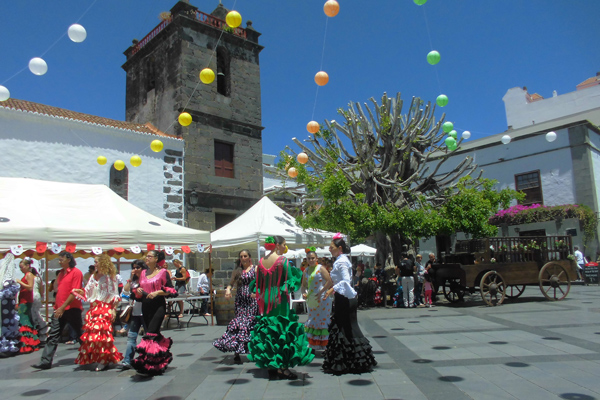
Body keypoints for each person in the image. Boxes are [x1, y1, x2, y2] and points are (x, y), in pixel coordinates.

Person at [247, 236, 314, 380]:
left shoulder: (261, 262)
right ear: (277, 246)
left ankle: (271, 365)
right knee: (282, 329)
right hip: (279, 298)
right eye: (284, 244)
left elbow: (258, 284)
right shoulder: (282, 261)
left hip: (265, 299)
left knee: (269, 329)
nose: (285, 247)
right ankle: (282, 368)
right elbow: (290, 281)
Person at [322, 234, 376, 375]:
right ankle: (346, 361)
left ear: (339, 248)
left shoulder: (341, 262)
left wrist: (332, 289)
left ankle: (357, 360)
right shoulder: (340, 260)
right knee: (343, 328)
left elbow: (346, 280)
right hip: (342, 298)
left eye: (332, 247)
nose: (329, 249)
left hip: (345, 299)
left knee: (349, 328)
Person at [32, 251, 83, 370]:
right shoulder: (61, 273)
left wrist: (63, 307)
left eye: (61, 260)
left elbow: (74, 292)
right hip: (59, 309)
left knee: (80, 334)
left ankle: (90, 356)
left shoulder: (76, 272)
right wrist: (58, 307)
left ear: (68, 260)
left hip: (71, 309)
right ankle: (45, 361)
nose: (59, 262)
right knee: (53, 335)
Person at [130, 250, 177, 375]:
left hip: (158, 306)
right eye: (147, 256)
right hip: (146, 306)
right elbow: (138, 287)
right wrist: (139, 289)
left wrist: (158, 292)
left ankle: (147, 363)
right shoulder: (143, 273)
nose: (147, 258)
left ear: (156, 259)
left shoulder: (163, 273)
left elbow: (170, 289)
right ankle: (160, 360)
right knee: (154, 334)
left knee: (150, 334)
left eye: (150, 256)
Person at [72, 254, 123, 371]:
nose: (94, 264)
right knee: (94, 336)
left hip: (105, 308)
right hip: (94, 308)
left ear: (102, 262)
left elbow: (115, 294)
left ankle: (103, 360)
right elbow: (88, 292)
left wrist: (113, 309)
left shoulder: (110, 277)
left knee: (102, 336)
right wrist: (79, 291)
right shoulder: (93, 276)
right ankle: (104, 358)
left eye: (96, 262)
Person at [213, 250, 258, 363]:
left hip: (252, 300)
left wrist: (257, 292)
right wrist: (228, 289)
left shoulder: (255, 269)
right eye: (241, 256)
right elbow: (230, 283)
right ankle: (236, 351)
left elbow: (260, 283)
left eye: (245, 256)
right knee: (240, 323)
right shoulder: (237, 271)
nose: (243, 258)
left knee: (251, 323)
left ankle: (253, 349)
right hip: (240, 300)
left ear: (249, 257)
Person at [301, 250, 333, 351]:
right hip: (312, 299)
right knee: (313, 320)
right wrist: (303, 293)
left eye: (312, 258)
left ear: (316, 259)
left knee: (323, 320)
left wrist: (321, 291)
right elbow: (303, 285)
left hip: (322, 298)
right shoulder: (306, 271)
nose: (311, 260)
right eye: (309, 258)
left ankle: (326, 345)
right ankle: (314, 344)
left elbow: (329, 281)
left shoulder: (321, 268)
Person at [119, 259, 147, 370]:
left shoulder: (147, 279)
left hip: (145, 312)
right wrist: (130, 279)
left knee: (148, 337)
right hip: (135, 312)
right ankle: (127, 360)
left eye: (137, 267)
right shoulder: (133, 281)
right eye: (133, 267)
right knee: (131, 337)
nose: (135, 270)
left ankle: (146, 358)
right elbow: (125, 293)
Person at [17, 258, 41, 353]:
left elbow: (30, 288)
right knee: (26, 321)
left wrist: (20, 282)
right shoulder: (26, 275)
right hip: (23, 300)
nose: (21, 269)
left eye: (22, 267)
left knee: (25, 321)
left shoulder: (29, 275)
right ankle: (31, 342)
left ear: (27, 266)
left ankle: (28, 344)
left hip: (26, 301)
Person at [0, 253, 21, 355]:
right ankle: (7, 344)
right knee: (7, 321)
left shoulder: (8, 279)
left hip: (7, 305)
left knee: (8, 322)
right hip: (5, 305)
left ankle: (8, 344)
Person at [30, 266, 48, 344]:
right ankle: (42, 327)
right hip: (37, 296)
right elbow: (41, 289)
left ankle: (43, 326)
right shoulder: (38, 278)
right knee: (36, 312)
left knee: (34, 314)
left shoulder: (31, 278)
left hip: (32, 295)